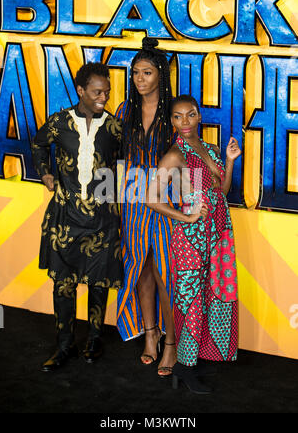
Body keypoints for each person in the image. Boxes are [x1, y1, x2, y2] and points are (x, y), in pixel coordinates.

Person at [31, 62, 123, 372]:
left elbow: (123, 164)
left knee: (98, 283)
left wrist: (112, 193)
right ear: (81, 90)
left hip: (102, 220)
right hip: (64, 219)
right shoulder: (59, 122)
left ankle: (94, 339)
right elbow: (38, 144)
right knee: (63, 285)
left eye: (107, 92)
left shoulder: (113, 126)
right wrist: (45, 174)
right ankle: (63, 345)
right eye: (98, 92)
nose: (104, 97)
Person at [146, 94, 241, 393]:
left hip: (219, 231)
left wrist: (228, 160)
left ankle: (194, 360)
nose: (184, 121)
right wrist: (185, 218)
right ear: (171, 121)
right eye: (177, 116)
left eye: (190, 115)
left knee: (213, 293)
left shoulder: (212, 149)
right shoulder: (175, 154)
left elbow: (221, 190)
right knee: (191, 300)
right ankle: (183, 368)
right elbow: (151, 198)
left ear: (199, 117)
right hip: (190, 237)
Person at [116, 37, 177, 377]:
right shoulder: (126, 111)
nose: (140, 79)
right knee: (141, 270)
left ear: (161, 76)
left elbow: (187, 157)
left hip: (167, 198)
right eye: (136, 73)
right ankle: (150, 336)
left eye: (147, 73)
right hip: (133, 199)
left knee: (165, 272)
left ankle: (170, 343)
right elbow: (121, 159)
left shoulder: (173, 112)